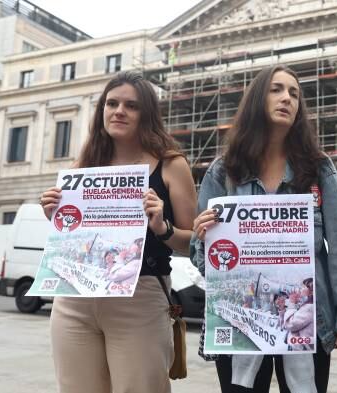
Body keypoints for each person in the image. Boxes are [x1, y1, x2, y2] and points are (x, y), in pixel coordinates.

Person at [191, 65, 337, 393]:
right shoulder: (223, 171)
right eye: (276, 89)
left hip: (308, 319)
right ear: (257, 98)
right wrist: (204, 239)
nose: (286, 98)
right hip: (239, 320)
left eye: (294, 93)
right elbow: (201, 258)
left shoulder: (318, 168)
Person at [39, 71, 197, 393]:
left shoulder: (170, 164)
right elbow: (72, 231)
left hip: (139, 296)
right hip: (74, 297)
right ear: (101, 111)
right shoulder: (84, 163)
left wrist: (163, 228)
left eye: (131, 105)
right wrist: (53, 212)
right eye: (111, 103)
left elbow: (194, 242)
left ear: (147, 114)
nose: (118, 111)